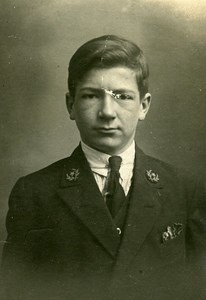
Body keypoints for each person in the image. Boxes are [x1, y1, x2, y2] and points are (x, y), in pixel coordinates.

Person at [1, 35, 206, 300]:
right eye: (91, 96)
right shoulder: (34, 192)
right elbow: (14, 291)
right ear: (70, 104)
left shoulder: (184, 189)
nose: (107, 112)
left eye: (122, 96)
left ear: (143, 106)